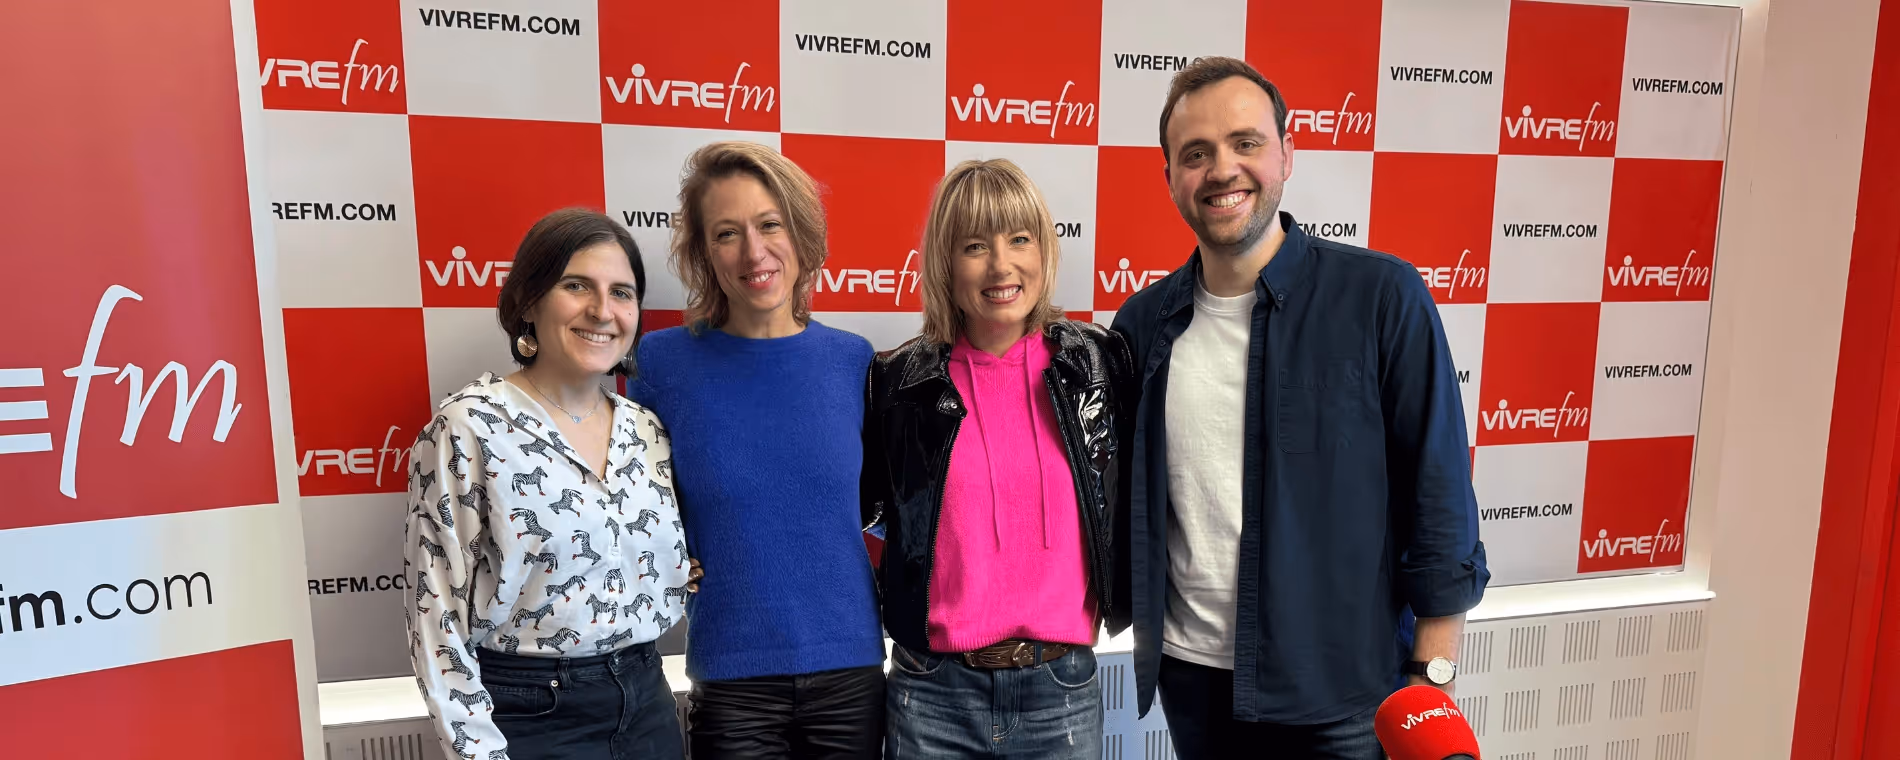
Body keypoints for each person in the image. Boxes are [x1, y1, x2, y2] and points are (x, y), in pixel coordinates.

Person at [1108, 56, 1490, 758]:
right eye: (1196, 154)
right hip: (1194, 687)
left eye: (1245, 143)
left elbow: (1438, 495)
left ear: (1287, 153)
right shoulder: (1141, 324)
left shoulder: (1383, 298)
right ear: (1170, 180)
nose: (1222, 169)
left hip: (1347, 695)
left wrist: (1432, 678)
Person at [862, 158, 1136, 758]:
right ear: (945, 262)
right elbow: (862, 509)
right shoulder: (898, 382)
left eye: (1020, 239)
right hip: (931, 692)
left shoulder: (1099, 363)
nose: (1002, 265)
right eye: (975, 246)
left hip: (1060, 689)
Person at [404, 208, 699, 760]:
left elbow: (653, 556)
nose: (602, 311)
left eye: (622, 292)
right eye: (576, 286)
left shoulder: (647, 429)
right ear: (529, 301)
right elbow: (435, 614)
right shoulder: (469, 427)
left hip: (647, 701)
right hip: (530, 714)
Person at [627, 140, 886, 759]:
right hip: (730, 678)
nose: (754, 251)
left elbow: (887, 508)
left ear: (800, 231)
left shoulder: (855, 361)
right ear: (702, 253)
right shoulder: (661, 363)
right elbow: (634, 509)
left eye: (770, 224)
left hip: (848, 669)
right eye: (726, 233)